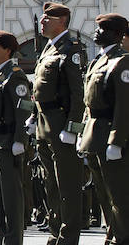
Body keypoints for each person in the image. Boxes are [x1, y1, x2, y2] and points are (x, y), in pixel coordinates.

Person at [32, 2, 85, 245]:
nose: (42, 22)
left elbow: (77, 92)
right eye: (42, 18)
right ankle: (56, 230)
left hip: (60, 123)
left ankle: (69, 234)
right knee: (50, 182)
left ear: (62, 20)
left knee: (67, 183)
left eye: (47, 18)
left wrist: (72, 127)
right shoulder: (48, 49)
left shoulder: (69, 49)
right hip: (45, 124)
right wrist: (34, 118)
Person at [78, 13, 129, 245]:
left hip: (109, 136)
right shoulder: (97, 60)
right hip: (94, 136)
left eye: (104, 29)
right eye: (97, 28)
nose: (97, 32)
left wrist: (116, 141)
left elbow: (124, 105)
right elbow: (88, 104)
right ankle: (113, 236)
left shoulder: (122, 61)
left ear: (117, 35)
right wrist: (82, 133)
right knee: (104, 196)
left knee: (119, 197)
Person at [0, 31, 32, 245]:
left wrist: (20, 139)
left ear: (7, 50)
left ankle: (13, 239)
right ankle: (1, 235)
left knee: (11, 196)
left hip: (8, 142)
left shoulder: (15, 74)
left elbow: (23, 109)